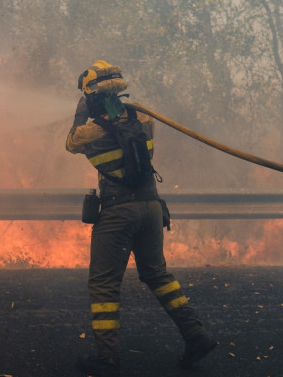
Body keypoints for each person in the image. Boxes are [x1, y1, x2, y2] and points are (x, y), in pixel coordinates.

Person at [66, 60, 216, 377]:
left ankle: (106, 359)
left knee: (104, 285)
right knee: (157, 274)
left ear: (92, 97)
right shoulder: (144, 118)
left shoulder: (92, 130)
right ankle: (196, 335)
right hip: (151, 207)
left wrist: (81, 112)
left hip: (118, 212)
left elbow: (71, 143)